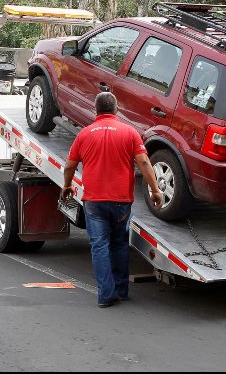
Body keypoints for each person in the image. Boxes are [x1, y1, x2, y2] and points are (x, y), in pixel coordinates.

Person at [62, 92, 164, 308]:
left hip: (94, 202)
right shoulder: (130, 132)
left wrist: (67, 185)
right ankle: (121, 290)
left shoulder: (85, 134)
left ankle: (106, 295)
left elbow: (70, 165)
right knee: (119, 245)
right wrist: (155, 190)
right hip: (121, 202)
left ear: (96, 111)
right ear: (116, 110)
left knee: (99, 246)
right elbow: (144, 162)